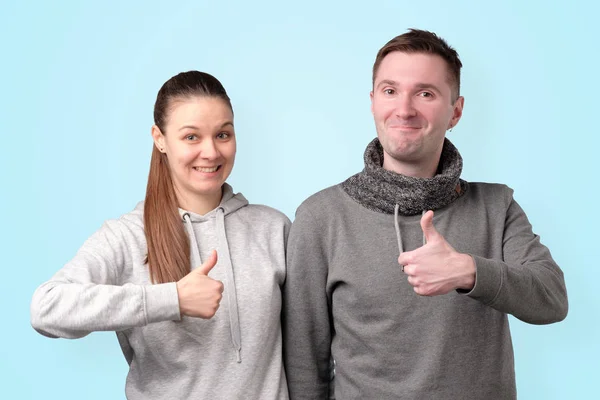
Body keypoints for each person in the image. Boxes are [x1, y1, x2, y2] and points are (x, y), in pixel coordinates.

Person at [282, 29, 568, 399]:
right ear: (372, 103)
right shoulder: (321, 218)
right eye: (390, 91)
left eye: (425, 93)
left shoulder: (497, 207)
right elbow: (305, 364)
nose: (404, 109)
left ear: (456, 111)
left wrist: (468, 271)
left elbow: (552, 299)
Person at [31, 71, 290, 400]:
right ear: (160, 138)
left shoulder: (273, 229)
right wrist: (172, 300)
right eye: (191, 137)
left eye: (222, 135)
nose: (211, 152)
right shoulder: (127, 237)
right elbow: (47, 308)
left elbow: (309, 350)